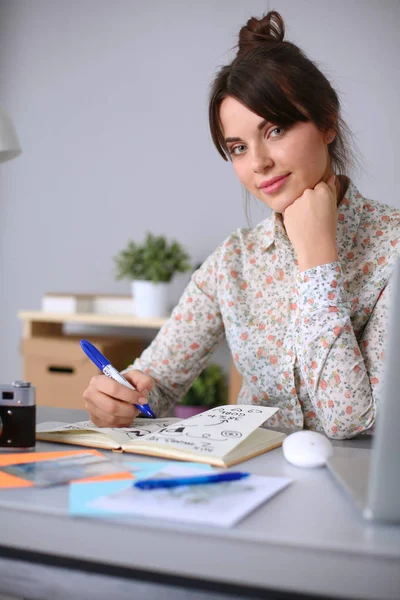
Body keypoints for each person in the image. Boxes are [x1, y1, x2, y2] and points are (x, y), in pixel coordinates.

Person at [83, 11, 399, 439]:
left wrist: (317, 261)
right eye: (238, 147)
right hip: (253, 483)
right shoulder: (233, 261)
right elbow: (154, 383)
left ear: (327, 122)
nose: (259, 163)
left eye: (276, 129)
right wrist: (119, 399)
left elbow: (352, 421)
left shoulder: (392, 245)